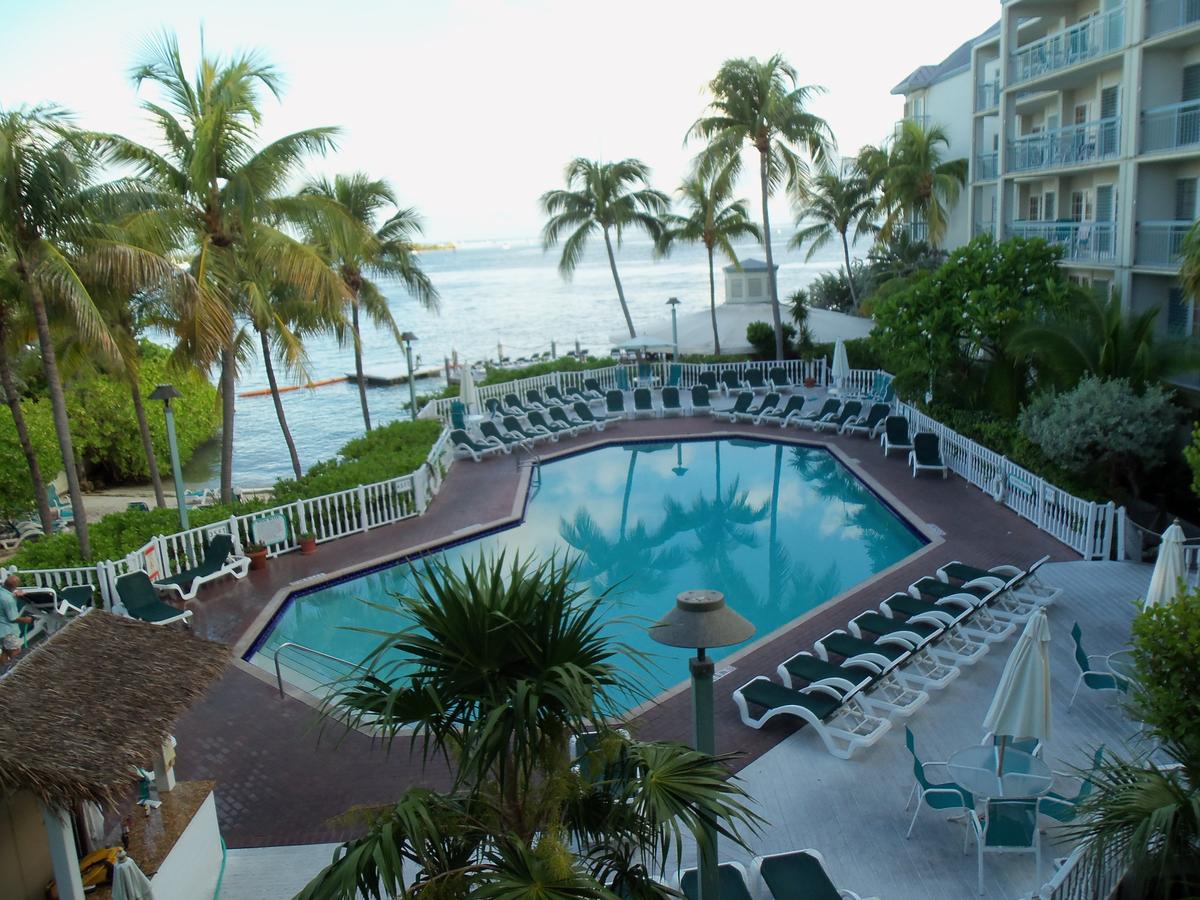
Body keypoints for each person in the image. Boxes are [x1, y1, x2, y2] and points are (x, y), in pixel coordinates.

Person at [0, 574, 33, 668]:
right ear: (15, 586)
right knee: (16, 652)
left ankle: (2, 673)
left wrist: (14, 596)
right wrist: (26, 619)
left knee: (5, 652)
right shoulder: (8, 600)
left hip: (1, 631)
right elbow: (13, 618)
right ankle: (14, 674)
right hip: (8, 631)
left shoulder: (3, 593)